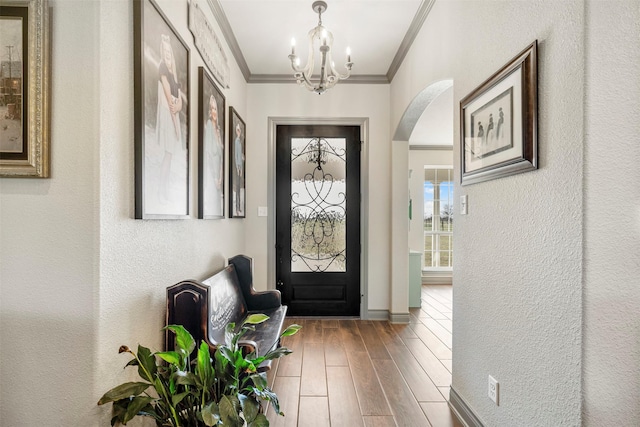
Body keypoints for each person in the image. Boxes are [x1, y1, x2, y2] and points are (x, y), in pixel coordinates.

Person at [155, 34, 184, 204]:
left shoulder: (173, 72)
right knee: (168, 154)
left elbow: (179, 99)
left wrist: (179, 106)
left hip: (173, 113)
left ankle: (164, 189)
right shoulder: (162, 68)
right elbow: (167, 94)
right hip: (168, 115)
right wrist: (175, 123)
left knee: (170, 155)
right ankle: (161, 190)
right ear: (162, 51)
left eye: (169, 50)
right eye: (164, 50)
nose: (167, 53)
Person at [203, 94, 223, 216]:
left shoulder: (218, 130)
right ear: (209, 111)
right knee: (212, 205)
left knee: (217, 207)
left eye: (215, 108)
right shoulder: (209, 125)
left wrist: (220, 176)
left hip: (218, 176)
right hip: (211, 174)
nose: (214, 111)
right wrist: (215, 177)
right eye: (212, 108)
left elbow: (221, 157)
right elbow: (209, 154)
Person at [233, 122, 245, 215]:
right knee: (237, 188)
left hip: (240, 167)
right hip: (238, 167)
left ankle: (239, 207)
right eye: (237, 130)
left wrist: (242, 157)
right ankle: (237, 208)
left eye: (239, 130)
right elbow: (236, 155)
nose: (239, 131)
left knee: (239, 188)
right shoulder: (236, 141)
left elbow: (239, 155)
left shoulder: (239, 141)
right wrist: (238, 167)